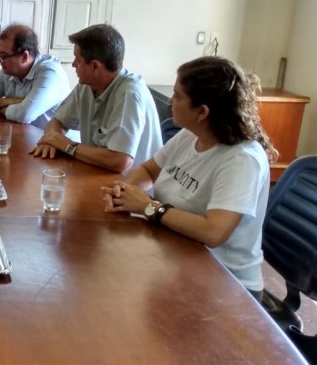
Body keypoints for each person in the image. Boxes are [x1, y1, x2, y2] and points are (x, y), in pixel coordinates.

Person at [101, 56, 276, 300]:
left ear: (202, 112)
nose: (171, 101)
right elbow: (150, 170)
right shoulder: (189, 134)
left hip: (227, 285)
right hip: (177, 256)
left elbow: (213, 233)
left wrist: (149, 207)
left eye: (178, 96)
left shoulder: (241, 160)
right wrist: (123, 192)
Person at [29, 24, 162, 173]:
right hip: (96, 173)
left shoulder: (129, 94)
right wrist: (51, 140)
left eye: (77, 60)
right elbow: (57, 121)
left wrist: (66, 145)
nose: (73, 64)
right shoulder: (87, 84)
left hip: (128, 186)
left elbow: (119, 161)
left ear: (95, 67)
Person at [0, 24, 69, 129]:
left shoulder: (50, 73)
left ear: (25, 57)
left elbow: (24, 115)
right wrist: (10, 101)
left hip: (60, 143)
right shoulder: (8, 72)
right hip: (26, 136)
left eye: (3, 56)